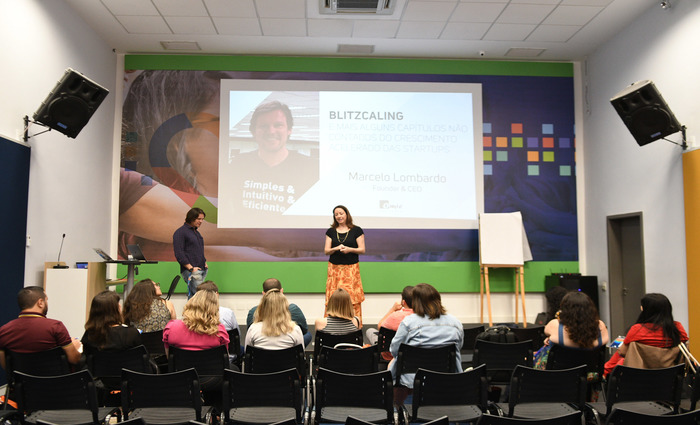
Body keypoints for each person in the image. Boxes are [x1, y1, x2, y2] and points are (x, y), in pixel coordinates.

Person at [227, 100, 318, 220]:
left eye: (278, 125)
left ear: (289, 129)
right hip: (246, 237)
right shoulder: (239, 164)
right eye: (263, 126)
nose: (271, 131)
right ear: (254, 131)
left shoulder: (311, 168)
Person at [389, 283, 463, 400]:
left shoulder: (408, 322)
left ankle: (397, 410)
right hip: (445, 376)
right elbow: (458, 348)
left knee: (393, 364)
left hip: (413, 380)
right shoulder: (455, 323)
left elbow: (394, 351)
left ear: (415, 302)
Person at [603, 293, 688, 377]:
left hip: (640, 382)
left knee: (619, 359)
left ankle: (604, 373)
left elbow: (622, 352)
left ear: (646, 310)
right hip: (670, 383)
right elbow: (684, 348)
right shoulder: (677, 328)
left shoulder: (637, 330)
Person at [0, 286, 82, 368]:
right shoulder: (55, 327)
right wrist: (74, 347)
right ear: (40, 303)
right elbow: (74, 359)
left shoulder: (4, 331)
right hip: (53, 380)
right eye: (46, 300)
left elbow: (6, 366)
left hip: (22, 380)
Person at [534, 291, 609, 370]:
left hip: (557, 376)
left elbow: (546, 331)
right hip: (588, 377)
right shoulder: (600, 326)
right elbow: (582, 339)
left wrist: (550, 338)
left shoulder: (555, 325)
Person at [324, 205, 365, 324]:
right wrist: (336, 248)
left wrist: (349, 249)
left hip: (351, 269)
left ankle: (354, 324)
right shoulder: (331, 231)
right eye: (336, 214)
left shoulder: (357, 230)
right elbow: (326, 251)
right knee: (334, 297)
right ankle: (331, 325)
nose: (339, 216)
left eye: (341, 213)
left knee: (352, 298)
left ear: (346, 214)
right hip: (334, 269)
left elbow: (362, 249)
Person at [246, 278, 311, 347]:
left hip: (260, 356)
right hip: (289, 356)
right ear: (281, 291)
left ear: (263, 294)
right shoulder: (295, 328)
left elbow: (247, 350)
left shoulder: (253, 326)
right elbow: (304, 331)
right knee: (307, 335)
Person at [162, 290, 229, 354]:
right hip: (212, 365)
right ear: (215, 309)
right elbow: (224, 359)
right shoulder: (219, 331)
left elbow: (169, 357)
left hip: (182, 365)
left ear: (190, 303)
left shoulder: (171, 327)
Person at [81, 291, 142, 356]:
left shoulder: (90, 335)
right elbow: (141, 359)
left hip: (100, 366)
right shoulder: (131, 334)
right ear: (116, 310)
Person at [365, 285, 414, 361]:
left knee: (370, 331)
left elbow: (380, 327)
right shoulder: (422, 318)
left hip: (389, 355)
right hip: (412, 356)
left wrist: (392, 309)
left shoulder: (395, 316)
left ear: (403, 302)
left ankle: (377, 344)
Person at [173, 207, 208, 298]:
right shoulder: (180, 232)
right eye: (198, 219)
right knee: (198, 298)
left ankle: (190, 313)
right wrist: (190, 268)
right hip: (191, 270)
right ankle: (191, 313)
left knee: (195, 297)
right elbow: (179, 253)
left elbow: (198, 249)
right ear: (191, 218)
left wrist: (204, 262)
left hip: (200, 269)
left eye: (202, 219)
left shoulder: (196, 232)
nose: (201, 221)